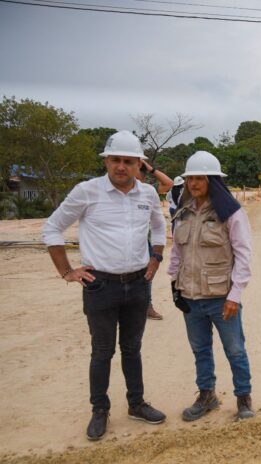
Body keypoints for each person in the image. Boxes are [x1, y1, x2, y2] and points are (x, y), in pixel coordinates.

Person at [43, 130, 167, 441]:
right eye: (115, 160)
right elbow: (53, 228)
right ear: (106, 161)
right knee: (102, 351)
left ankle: (136, 404)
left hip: (139, 283)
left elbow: (158, 224)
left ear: (139, 163)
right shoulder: (87, 191)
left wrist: (157, 255)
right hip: (100, 285)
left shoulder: (148, 194)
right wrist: (66, 271)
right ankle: (100, 410)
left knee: (132, 349)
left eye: (128, 161)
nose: (121, 166)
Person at [168, 151, 255, 422]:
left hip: (221, 297)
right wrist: (174, 285)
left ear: (213, 181)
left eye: (199, 178)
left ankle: (244, 398)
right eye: (190, 178)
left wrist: (235, 295)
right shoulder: (182, 212)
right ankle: (207, 396)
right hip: (191, 297)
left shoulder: (231, 213)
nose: (193, 183)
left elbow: (243, 255)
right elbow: (177, 253)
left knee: (235, 350)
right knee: (200, 350)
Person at [135, 161, 174, 321]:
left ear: (144, 178)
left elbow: (169, 183)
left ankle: (146, 306)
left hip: (146, 241)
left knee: (147, 274)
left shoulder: (147, 192)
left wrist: (150, 168)